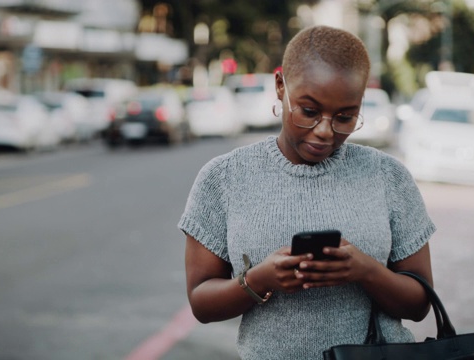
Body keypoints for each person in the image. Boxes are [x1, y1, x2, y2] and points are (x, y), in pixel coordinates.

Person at [178, 25, 436, 359]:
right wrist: (259, 280)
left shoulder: (388, 177)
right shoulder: (224, 177)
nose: (325, 131)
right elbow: (201, 302)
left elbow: (419, 304)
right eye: (309, 112)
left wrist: (365, 271)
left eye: (346, 117)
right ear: (280, 85)